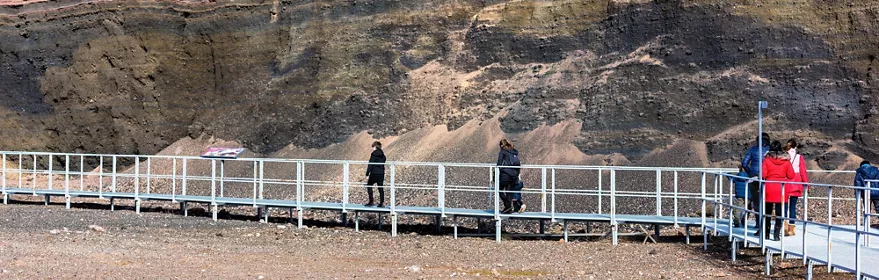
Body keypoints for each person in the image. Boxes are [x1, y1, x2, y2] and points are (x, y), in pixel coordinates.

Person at [757, 140, 794, 241]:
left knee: (767, 212)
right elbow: (791, 175)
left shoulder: (767, 160)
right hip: (782, 188)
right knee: (780, 213)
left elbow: (763, 175)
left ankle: (766, 233)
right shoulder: (786, 161)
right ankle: (776, 235)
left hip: (769, 187)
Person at [741, 133, 770, 229]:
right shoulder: (770, 150)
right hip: (767, 177)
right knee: (767, 201)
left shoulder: (752, 149)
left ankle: (758, 223)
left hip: (753, 176)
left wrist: (750, 173)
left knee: (756, 201)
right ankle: (765, 223)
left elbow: (744, 163)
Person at [783, 139, 809, 236]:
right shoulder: (799, 157)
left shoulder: (784, 156)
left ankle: (784, 226)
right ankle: (791, 229)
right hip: (796, 183)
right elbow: (803, 172)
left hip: (785, 183)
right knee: (793, 206)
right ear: (795, 147)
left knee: (784, 206)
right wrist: (806, 184)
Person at [496, 139, 521, 214]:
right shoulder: (513, 151)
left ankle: (508, 206)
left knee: (499, 190)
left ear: (501, 145)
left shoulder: (503, 151)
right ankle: (508, 208)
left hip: (506, 174)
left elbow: (499, 163)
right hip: (514, 174)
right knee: (508, 191)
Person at [364, 141, 386, 207]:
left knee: (369, 185)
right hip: (381, 173)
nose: (372, 149)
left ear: (375, 147)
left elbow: (370, 163)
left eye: (373, 147)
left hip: (374, 173)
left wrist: (367, 173)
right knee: (380, 187)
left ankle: (371, 201)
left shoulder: (373, 154)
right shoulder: (383, 155)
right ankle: (381, 203)